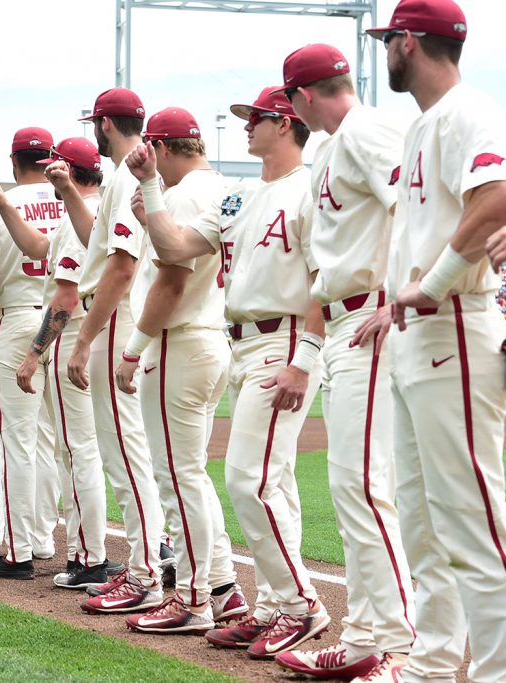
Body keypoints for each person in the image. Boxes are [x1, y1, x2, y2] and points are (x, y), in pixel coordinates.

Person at [129, 86, 330, 657]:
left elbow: (324, 277)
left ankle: (300, 605)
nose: (246, 126)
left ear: (287, 124)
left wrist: (305, 358)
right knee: (276, 483)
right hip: (239, 340)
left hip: (284, 338)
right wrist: (149, 188)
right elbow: (176, 249)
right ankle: (269, 605)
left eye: (258, 118)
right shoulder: (242, 194)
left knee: (248, 478)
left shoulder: (309, 190)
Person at [355, 2, 506, 679]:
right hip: (417, 334)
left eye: (390, 38)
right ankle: (431, 664)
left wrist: (437, 277)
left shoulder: (468, 110)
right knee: (424, 521)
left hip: (453, 323)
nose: (384, 50)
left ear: (411, 42)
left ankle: (500, 671)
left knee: (472, 518)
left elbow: (502, 195)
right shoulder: (423, 123)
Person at [270, 44, 416, 682]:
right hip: (343, 321)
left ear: (300, 98)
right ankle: (363, 636)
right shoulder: (332, 146)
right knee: (352, 486)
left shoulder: (366, 128)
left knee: (363, 485)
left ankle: (397, 645)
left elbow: (411, 205)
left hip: (372, 316)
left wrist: (403, 292)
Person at [116, 108, 245, 634]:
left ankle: (193, 599)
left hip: (180, 340)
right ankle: (221, 585)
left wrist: (133, 349)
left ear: (163, 148)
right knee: (190, 474)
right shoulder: (221, 188)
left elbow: (171, 282)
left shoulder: (185, 193)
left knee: (176, 478)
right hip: (209, 339)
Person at [0, 136, 111, 589]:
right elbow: (39, 247)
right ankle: (107, 551)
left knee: (79, 452)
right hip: (94, 335)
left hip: (74, 335)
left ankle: (90, 557)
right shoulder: (82, 214)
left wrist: (33, 353)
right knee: (87, 450)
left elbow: (65, 295)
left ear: (71, 172)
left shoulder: (84, 217)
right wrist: (4, 206)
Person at [67, 89, 165, 613]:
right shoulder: (132, 173)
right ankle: (152, 559)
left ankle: (146, 570)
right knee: (130, 451)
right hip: (127, 315)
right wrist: (68, 195)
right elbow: (100, 245)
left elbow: (121, 269)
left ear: (105, 123)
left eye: (94, 123)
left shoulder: (129, 171)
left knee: (125, 452)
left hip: (118, 316)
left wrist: (83, 339)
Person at [0, 127, 65, 580]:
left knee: (16, 440)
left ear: (13, 161)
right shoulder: (69, 196)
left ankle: (19, 549)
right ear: (48, 159)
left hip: (19, 317)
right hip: (64, 318)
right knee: (57, 442)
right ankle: (46, 538)